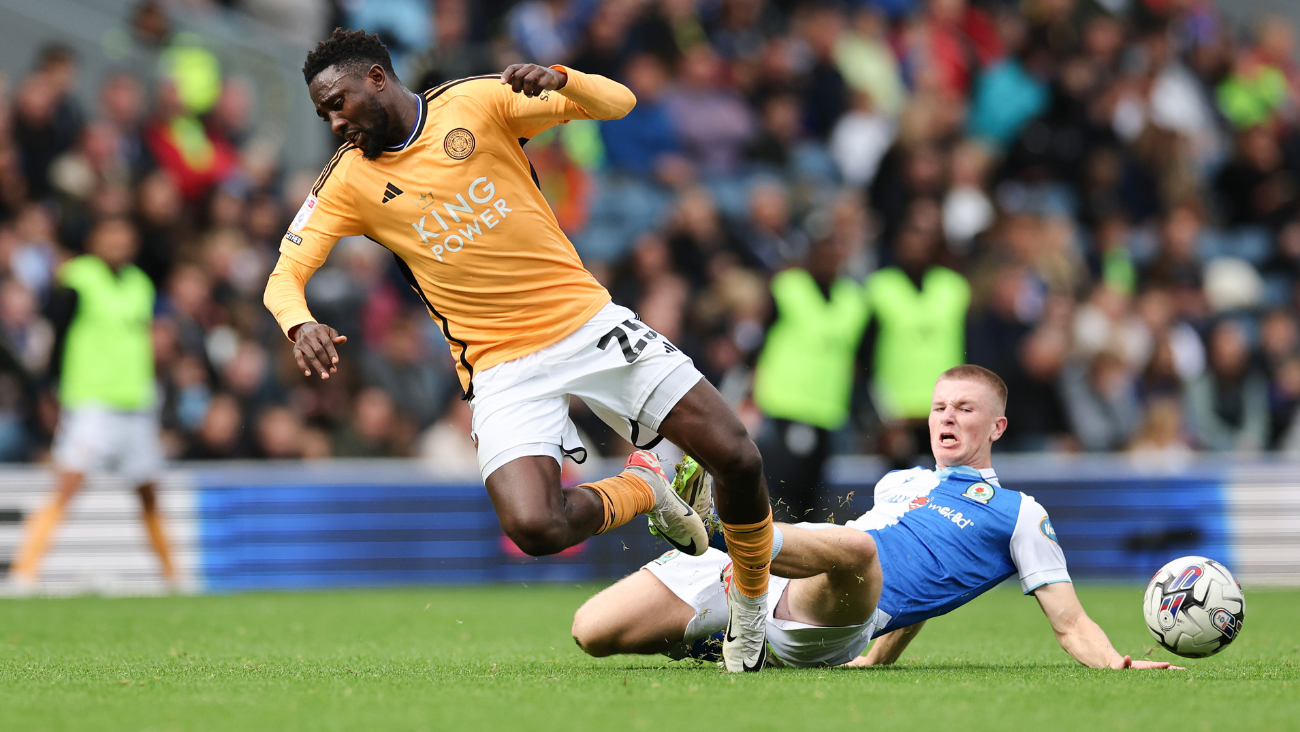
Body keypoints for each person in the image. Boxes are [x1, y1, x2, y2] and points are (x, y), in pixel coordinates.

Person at [262, 29, 775, 672]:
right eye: (323, 113)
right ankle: (647, 486)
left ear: (375, 78)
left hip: (585, 323)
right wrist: (297, 323)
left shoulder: (477, 103)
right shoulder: (346, 182)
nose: (335, 122)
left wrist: (565, 79)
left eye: (338, 102)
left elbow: (618, 103)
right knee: (535, 528)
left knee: (737, 456)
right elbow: (283, 276)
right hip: (499, 364)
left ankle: (750, 616)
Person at [571, 365, 1180, 671]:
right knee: (592, 631)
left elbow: (1069, 622)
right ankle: (721, 616)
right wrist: (884, 661)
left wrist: (1117, 665)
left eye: (964, 409)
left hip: (830, 615)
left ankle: (714, 523)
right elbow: (932, 583)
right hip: (784, 569)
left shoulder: (1022, 514)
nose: (946, 417)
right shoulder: (902, 480)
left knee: (860, 551)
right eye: (940, 406)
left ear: (995, 426)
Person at [9, 218, 175, 587]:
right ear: (93, 239)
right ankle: (25, 571)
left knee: (148, 490)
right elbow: (55, 333)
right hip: (91, 401)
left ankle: (172, 577)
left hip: (136, 400)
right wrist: (48, 391)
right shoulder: (75, 277)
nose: (118, 242)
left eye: (125, 236)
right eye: (110, 235)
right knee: (68, 482)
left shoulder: (139, 283)